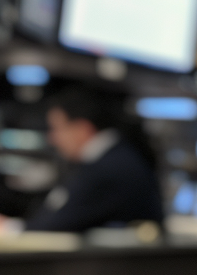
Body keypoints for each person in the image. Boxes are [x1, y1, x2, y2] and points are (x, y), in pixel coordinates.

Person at [23, 87, 163, 232]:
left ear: (83, 129)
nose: (52, 139)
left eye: (57, 128)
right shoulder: (117, 156)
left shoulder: (107, 169)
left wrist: (13, 228)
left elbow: (53, 226)